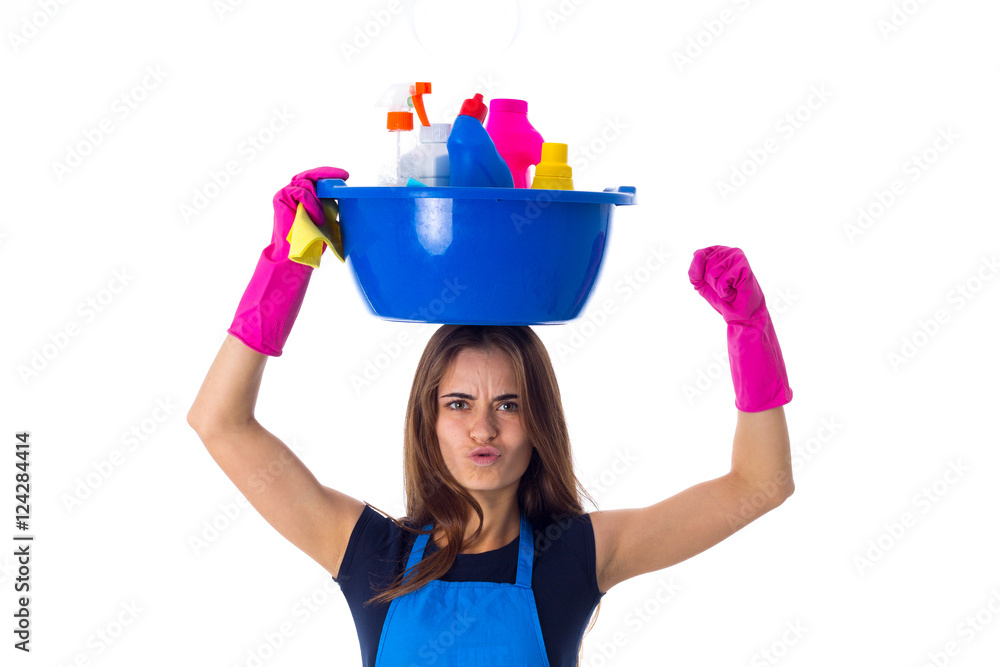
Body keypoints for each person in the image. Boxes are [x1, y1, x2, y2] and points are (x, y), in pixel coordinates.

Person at [187, 168, 795, 666]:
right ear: (427, 422)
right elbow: (219, 422)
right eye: (458, 404)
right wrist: (286, 265)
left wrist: (750, 331)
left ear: (541, 423)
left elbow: (761, 483)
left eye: (509, 404)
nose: (484, 429)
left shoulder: (576, 556)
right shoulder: (371, 554)